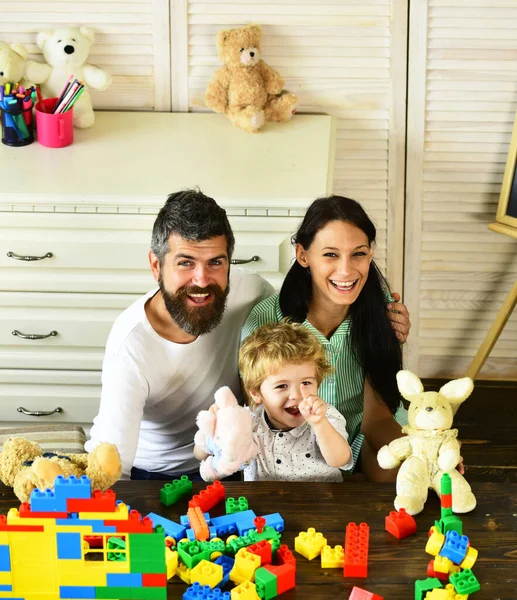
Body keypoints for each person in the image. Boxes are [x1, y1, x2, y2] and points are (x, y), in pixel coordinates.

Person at [85, 189, 273, 479]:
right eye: (185, 263)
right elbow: (112, 466)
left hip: (232, 460)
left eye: (215, 262)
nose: (201, 280)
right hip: (156, 473)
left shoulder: (252, 292)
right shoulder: (131, 344)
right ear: (156, 266)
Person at [241, 195, 410, 481]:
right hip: (297, 446)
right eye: (330, 254)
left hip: (361, 436)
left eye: (358, 253)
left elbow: (377, 419)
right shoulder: (266, 321)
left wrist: (424, 458)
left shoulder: (382, 313)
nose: (346, 270)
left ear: (370, 253)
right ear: (303, 255)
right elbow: (260, 411)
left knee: (408, 476)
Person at [237, 321, 353, 481]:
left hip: (321, 503)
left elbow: (340, 460)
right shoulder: (248, 422)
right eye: (282, 386)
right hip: (266, 503)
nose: (296, 395)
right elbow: (222, 460)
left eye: (306, 383)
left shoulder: (326, 416)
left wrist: (320, 424)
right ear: (256, 393)